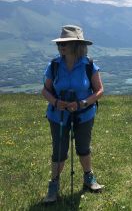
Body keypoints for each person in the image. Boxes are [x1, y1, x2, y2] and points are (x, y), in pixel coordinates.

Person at [42, 25, 104, 203]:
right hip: (58, 114)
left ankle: (88, 177)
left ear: (77, 45)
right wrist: (55, 102)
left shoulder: (89, 65)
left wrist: (82, 103)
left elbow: (99, 91)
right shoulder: (54, 65)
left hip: (83, 113)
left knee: (83, 147)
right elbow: (45, 90)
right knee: (59, 150)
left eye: (66, 43)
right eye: (61, 43)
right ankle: (53, 186)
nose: (61, 46)